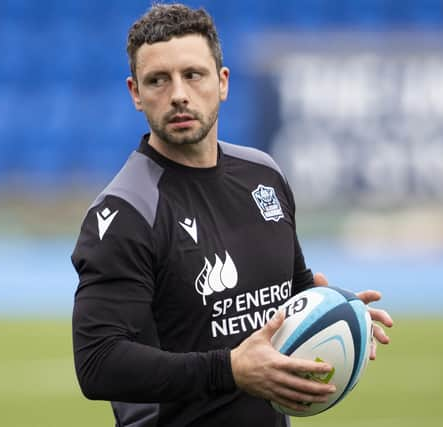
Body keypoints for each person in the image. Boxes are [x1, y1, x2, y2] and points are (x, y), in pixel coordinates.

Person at [71, 4, 393, 427]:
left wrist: (337, 310)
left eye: (193, 74)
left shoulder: (265, 175)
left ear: (222, 82)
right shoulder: (125, 212)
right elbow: (99, 364)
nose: (179, 94)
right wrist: (230, 369)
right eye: (158, 80)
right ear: (135, 92)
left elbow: (290, 289)